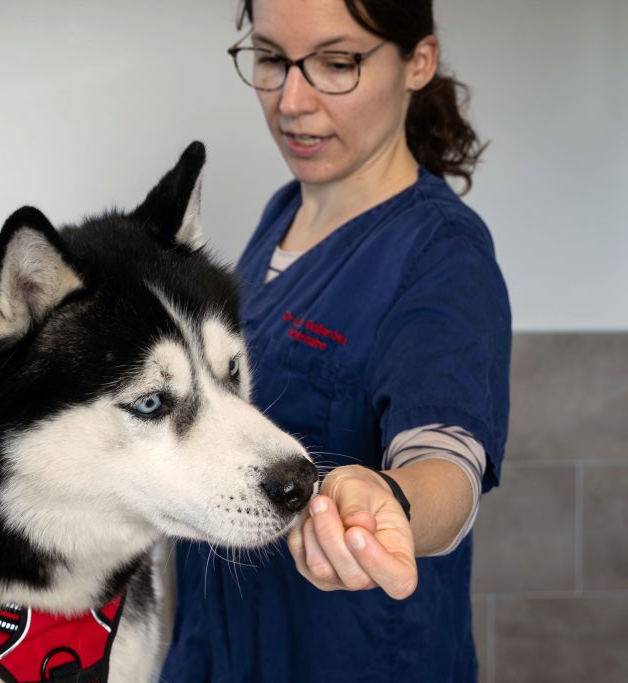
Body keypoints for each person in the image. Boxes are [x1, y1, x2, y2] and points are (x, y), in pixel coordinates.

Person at [160, 0, 511, 681]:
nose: (292, 101)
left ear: (419, 62)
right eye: (270, 59)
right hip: (218, 649)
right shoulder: (282, 214)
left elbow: (447, 458)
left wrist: (394, 501)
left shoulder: (443, 255)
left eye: (337, 63)